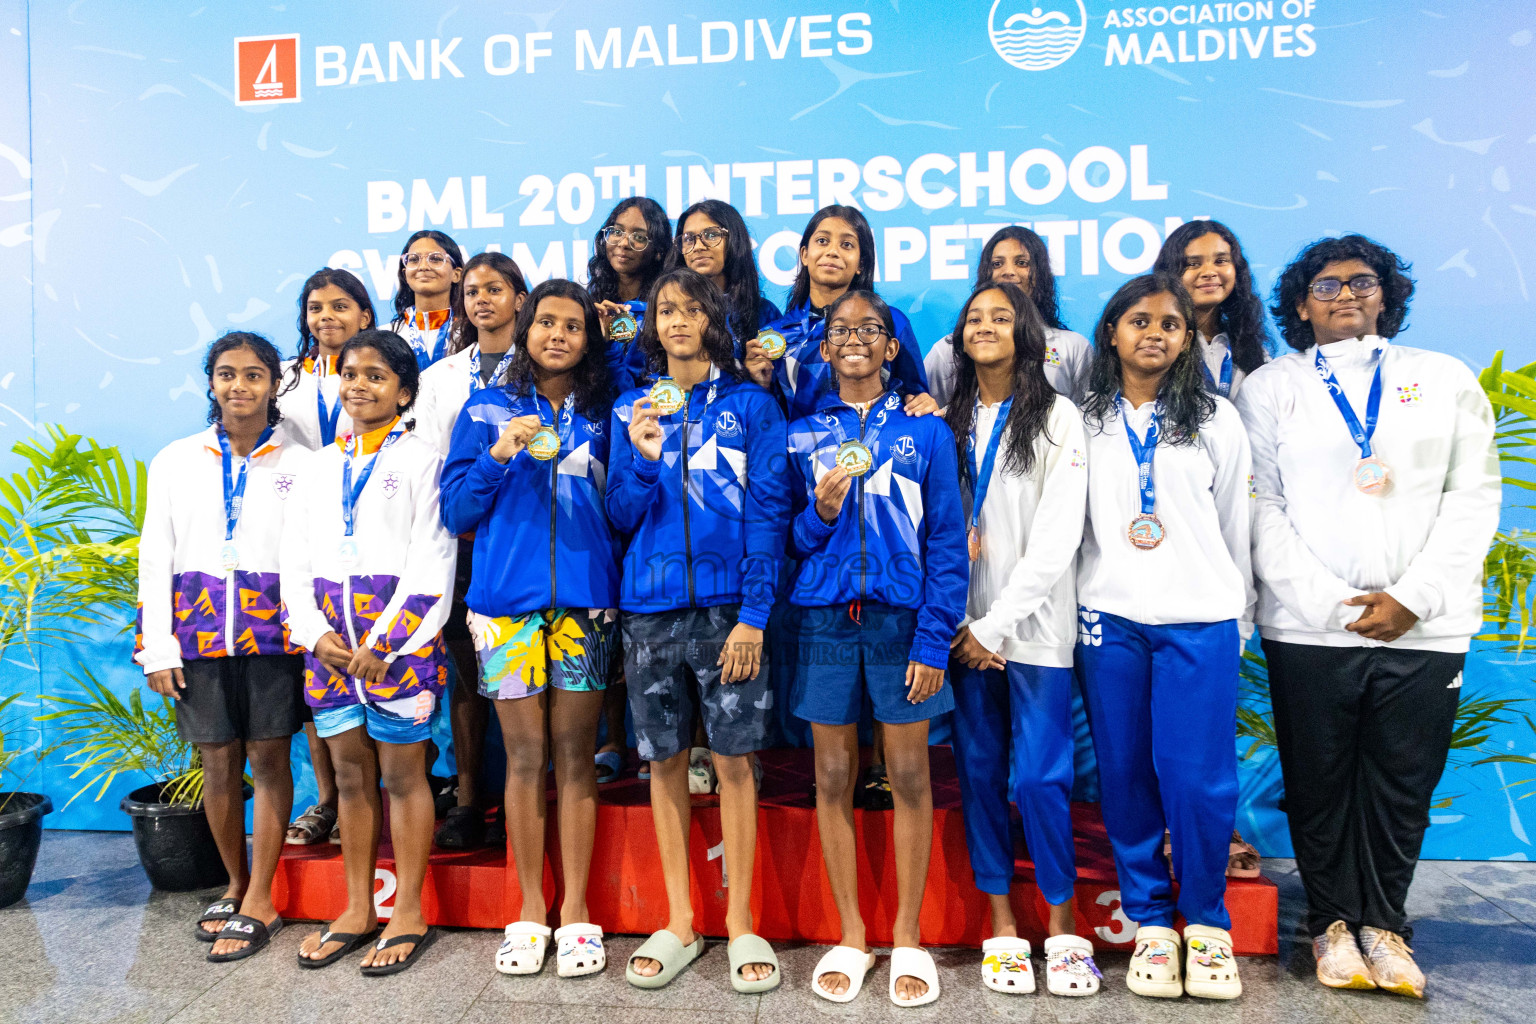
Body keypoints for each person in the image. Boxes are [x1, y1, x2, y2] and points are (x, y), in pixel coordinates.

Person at [1237, 235, 1499, 998]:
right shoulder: (1271, 387)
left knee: (1400, 782)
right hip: (1310, 625)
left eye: (1361, 283)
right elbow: (1262, 505)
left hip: (1426, 623)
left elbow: (1473, 495)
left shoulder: (1441, 378)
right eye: (1325, 285)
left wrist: (1414, 596)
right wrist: (1328, 603)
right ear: (1298, 303)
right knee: (1318, 783)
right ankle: (1329, 925)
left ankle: (1384, 926)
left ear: (1388, 294)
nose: (1344, 295)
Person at [607, 268, 789, 993]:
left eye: (689, 309)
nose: (676, 321)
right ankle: (681, 917)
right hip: (649, 610)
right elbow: (619, 513)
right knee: (664, 761)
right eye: (664, 311)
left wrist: (752, 615)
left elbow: (770, 512)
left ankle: (742, 919)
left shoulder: (753, 406)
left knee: (737, 761)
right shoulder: (631, 408)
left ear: (713, 318)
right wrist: (646, 459)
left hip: (727, 610)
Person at [784, 289, 967, 1007]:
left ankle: (909, 934)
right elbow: (793, 542)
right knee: (832, 776)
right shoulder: (804, 433)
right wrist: (822, 511)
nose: (855, 339)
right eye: (840, 330)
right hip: (827, 621)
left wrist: (932, 636)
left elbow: (947, 544)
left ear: (893, 347)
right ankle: (855, 934)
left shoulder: (926, 433)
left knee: (910, 776)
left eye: (871, 330)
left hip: (901, 622)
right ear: (823, 348)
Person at [1074, 274, 1254, 1001]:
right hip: (1108, 621)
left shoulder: (1216, 418)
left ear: (1187, 340)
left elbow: (1235, 528)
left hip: (1199, 620)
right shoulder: (1076, 420)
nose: (1154, 333)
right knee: (1124, 776)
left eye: (1171, 325)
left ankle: (1206, 924)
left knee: (1197, 778)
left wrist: (1236, 618)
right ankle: (1151, 920)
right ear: (1111, 331)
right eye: (1138, 320)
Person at [440, 280, 619, 978]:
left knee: (575, 755)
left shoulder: (606, 410)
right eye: (546, 321)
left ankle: (575, 910)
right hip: (504, 607)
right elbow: (456, 511)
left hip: (584, 606)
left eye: (573, 326)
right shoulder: (484, 408)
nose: (557, 335)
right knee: (521, 760)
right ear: (525, 327)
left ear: (587, 338)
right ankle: (527, 909)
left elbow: (625, 502)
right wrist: (497, 455)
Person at [282, 329, 457, 975]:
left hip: (398, 653)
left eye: (377, 376)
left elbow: (432, 560)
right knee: (352, 779)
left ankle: (407, 909)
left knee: (404, 778)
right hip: (329, 654)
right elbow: (292, 563)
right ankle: (357, 908)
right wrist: (313, 635)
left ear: (404, 392)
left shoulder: (421, 461)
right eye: (351, 374)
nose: (359, 385)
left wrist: (385, 643)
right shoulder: (316, 467)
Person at [942, 282, 1098, 997]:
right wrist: (964, 625)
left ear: (1027, 334)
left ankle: (1063, 928)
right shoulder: (946, 417)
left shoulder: (1059, 415)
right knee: (978, 775)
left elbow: (1060, 535)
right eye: (974, 318)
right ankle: (1001, 921)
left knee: (1039, 779)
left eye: (1001, 317)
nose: (986, 327)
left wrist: (995, 625)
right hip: (961, 631)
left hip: (1030, 632)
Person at [135, 332, 310, 960]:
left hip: (272, 633)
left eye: (255, 374)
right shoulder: (176, 459)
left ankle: (262, 893)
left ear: (274, 383)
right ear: (211, 382)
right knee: (216, 763)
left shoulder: (301, 461)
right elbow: (156, 554)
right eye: (227, 374)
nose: (241, 386)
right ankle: (235, 884)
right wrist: (158, 646)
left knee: (267, 760)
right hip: (198, 630)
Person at [413, 252, 530, 849]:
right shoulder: (439, 378)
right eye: (474, 291)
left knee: (524, 685)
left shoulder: (541, 370)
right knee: (469, 678)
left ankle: (519, 801)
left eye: (496, 288)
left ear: (518, 297)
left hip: (521, 544)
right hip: (459, 547)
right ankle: (467, 797)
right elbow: (435, 469)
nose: (482, 299)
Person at [274, 268, 378, 848]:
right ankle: (328, 797)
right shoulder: (285, 382)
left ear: (365, 314)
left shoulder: (384, 371)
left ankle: (389, 789)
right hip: (309, 529)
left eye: (341, 306)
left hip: (375, 535)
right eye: (316, 308)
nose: (326, 317)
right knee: (318, 667)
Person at [758, 205, 933, 420]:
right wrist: (757, 384)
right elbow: (766, 417)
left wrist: (923, 401)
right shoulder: (774, 336)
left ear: (861, 263)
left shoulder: (893, 322)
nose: (832, 251)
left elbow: (915, 397)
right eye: (822, 241)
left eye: (847, 244)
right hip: (802, 452)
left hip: (879, 451)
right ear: (804, 254)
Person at [924, 225, 1092, 407]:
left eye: (1022, 263)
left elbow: (1090, 420)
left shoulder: (1072, 347)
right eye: (997, 264)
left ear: (1041, 274)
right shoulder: (951, 349)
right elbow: (927, 415)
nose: (1008, 271)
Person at [1154, 219, 1271, 400]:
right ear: (1170, 273)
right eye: (1193, 263)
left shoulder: (1252, 348)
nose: (1209, 272)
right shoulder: (1156, 344)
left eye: (1220, 261)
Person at [588, 196, 673, 393]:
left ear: (658, 250)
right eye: (617, 232)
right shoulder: (591, 305)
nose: (624, 243)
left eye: (639, 237)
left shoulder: (664, 312)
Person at [667, 198, 781, 344]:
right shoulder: (666, 311)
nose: (698, 246)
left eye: (711, 235)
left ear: (734, 240)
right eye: (688, 239)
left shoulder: (765, 313)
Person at [390, 229, 465, 370]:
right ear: (405, 274)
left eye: (436, 259)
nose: (423, 267)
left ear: (456, 274)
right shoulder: (387, 335)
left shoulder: (471, 332)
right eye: (413, 259)